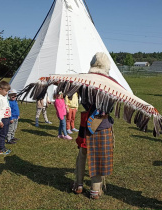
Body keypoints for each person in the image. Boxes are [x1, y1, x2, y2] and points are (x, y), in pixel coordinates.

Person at [72, 52, 114, 199]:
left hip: (86, 123)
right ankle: (95, 190)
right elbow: (110, 107)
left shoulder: (84, 80)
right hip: (101, 124)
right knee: (98, 156)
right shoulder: (111, 83)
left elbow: (83, 100)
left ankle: (78, 184)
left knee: (83, 154)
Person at [0, 81, 12, 155]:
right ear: (0, 89)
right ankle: (1, 149)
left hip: (6, 118)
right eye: (6, 91)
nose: (7, 93)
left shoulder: (4, 97)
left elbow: (7, 107)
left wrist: (10, 117)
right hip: (2, 119)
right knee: (2, 134)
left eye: (8, 91)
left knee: (5, 133)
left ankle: (3, 147)